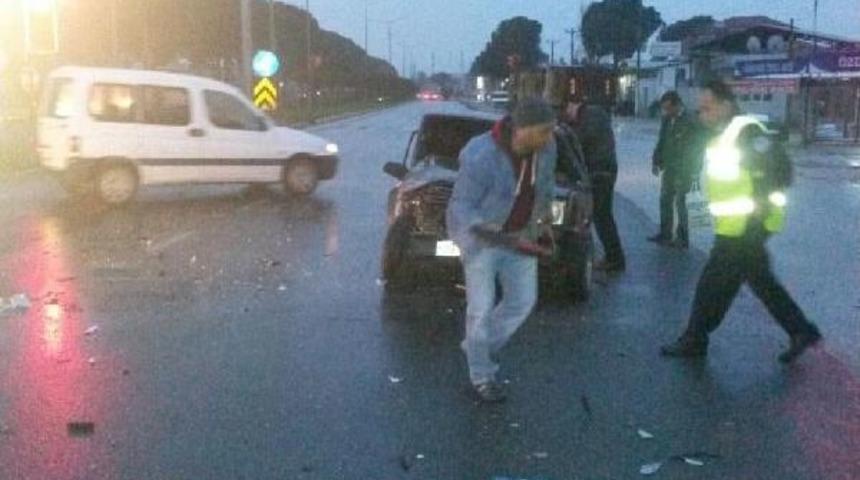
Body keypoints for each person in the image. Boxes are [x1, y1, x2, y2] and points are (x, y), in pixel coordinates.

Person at [660, 80, 822, 363]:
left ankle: (695, 337)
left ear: (726, 105)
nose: (703, 115)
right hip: (737, 228)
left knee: (713, 283)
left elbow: (781, 171)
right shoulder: (725, 135)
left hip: (747, 228)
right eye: (700, 110)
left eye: (707, 109)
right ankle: (801, 331)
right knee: (758, 280)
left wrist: (756, 214)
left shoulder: (746, 131)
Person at [446, 97, 557, 403]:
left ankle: (475, 348)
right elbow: (461, 205)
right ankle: (482, 376)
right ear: (523, 129)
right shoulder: (481, 155)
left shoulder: (546, 149)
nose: (550, 138)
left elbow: (544, 187)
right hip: (483, 242)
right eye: (544, 131)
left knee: (522, 302)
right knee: (480, 311)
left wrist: (544, 219)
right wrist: (485, 231)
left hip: (521, 237)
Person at [562, 97, 625, 272]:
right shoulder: (592, 115)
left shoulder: (591, 116)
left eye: (566, 111)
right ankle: (614, 257)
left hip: (601, 172)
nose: (567, 116)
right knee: (602, 216)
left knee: (602, 216)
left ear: (572, 104)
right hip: (602, 171)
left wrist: (569, 132)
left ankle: (615, 259)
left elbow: (581, 141)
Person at [648, 91, 705, 249]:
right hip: (669, 167)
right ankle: (665, 233)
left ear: (677, 104)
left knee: (681, 203)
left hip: (685, 169)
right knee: (665, 199)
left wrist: (695, 169)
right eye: (664, 109)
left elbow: (699, 147)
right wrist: (656, 161)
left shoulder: (691, 120)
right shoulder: (667, 119)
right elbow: (662, 140)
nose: (666, 111)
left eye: (668, 108)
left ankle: (682, 238)